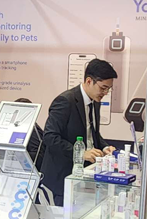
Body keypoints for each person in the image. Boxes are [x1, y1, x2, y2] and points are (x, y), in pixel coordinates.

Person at [41, 58, 117, 206]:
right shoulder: (65, 101)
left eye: (108, 89)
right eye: (103, 88)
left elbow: (92, 132)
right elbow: (50, 137)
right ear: (89, 81)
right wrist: (80, 153)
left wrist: (104, 147)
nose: (105, 92)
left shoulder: (95, 101)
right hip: (62, 179)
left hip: (84, 176)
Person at [14, 98, 46, 170]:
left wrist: (17, 156)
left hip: (32, 171)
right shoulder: (21, 129)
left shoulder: (32, 130)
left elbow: (38, 155)